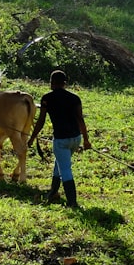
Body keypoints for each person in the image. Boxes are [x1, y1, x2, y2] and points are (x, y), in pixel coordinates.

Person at [28, 70, 92, 208]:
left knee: (65, 169)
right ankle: (53, 192)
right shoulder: (75, 98)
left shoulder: (47, 98)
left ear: (51, 83)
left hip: (61, 141)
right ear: (65, 84)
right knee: (60, 162)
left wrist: (33, 137)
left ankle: (72, 202)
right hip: (76, 139)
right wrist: (86, 140)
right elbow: (80, 120)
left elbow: (41, 120)